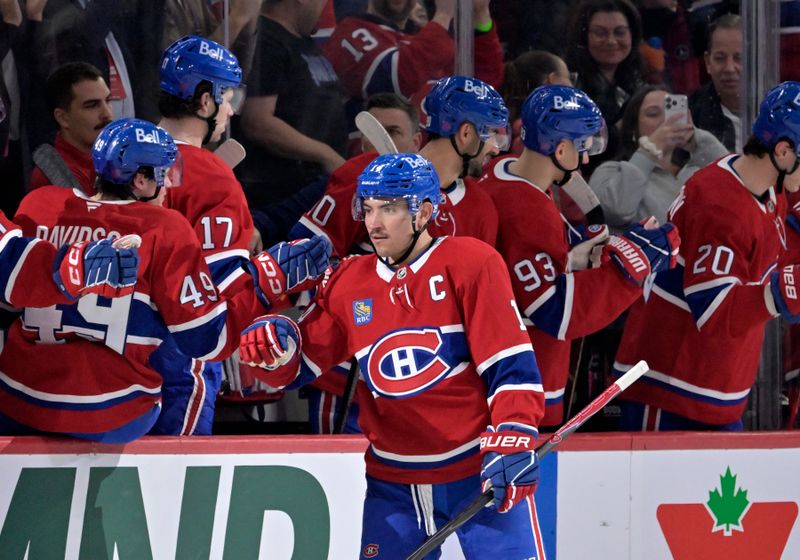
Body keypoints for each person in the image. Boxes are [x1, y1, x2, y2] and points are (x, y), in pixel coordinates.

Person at [241, 153, 547, 559]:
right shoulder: (348, 280)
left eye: (389, 208)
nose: (374, 223)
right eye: (367, 209)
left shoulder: (471, 263)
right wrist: (273, 347)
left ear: (423, 211)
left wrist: (515, 434)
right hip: (392, 486)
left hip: (474, 474)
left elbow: (510, 366)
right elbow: (298, 366)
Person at [1, 118, 330, 443]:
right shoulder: (164, 227)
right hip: (112, 410)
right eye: (165, 174)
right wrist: (267, 278)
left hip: (18, 399)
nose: (171, 185)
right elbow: (207, 340)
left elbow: (10, 293)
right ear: (141, 179)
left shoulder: (39, 204)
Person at [290, 77, 507, 433]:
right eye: (491, 135)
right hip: (350, 375)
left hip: (427, 386)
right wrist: (363, 291)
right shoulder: (370, 175)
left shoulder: (481, 208)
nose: (496, 148)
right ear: (466, 134)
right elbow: (303, 256)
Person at [478, 85, 680, 427]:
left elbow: (519, 275)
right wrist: (629, 271)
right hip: (522, 395)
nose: (586, 158)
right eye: (583, 146)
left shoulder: (502, 172)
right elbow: (553, 309)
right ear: (560, 148)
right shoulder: (525, 208)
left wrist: (572, 256)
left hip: (500, 383)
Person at [612, 81, 800, 431]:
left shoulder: (763, 186)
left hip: (716, 393)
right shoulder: (720, 206)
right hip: (671, 392)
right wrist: (783, 291)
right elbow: (713, 311)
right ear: (784, 152)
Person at [155, 35, 255, 434]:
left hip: (111, 358)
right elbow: (217, 290)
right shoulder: (212, 177)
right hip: (178, 359)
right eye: (226, 95)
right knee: (173, 491)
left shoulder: (117, 153)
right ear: (204, 100)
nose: (230, 109)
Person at [235, 0, 348, 246]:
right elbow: (257, 120)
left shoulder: (302, 41)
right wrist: (326, 155)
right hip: (280, 198)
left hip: (313, 193)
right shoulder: (268, 41)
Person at [591, 85, 728, 230]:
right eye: (653, 114)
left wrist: (696, 139)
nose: (665, 121)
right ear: (633, 128)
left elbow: (735, 183)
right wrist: (650, 149)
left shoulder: (695, 171)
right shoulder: (611, 171)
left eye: (671, 112)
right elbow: (616, 212)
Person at [323, 0, 504, 106]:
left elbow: (483, 87)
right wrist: (444, 13)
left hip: (439, 160)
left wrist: (481, 15)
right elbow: (396, 79)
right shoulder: (350, 33)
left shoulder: (424, 37)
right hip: (383, 164)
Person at [29, 62, 113, 194]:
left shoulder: (116, 158)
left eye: (108, 101)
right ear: (62, 118)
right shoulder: (52, 176)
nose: (107, 113)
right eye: (92, 105)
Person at [688, 13, 741, 152]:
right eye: (720, 58)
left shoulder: (783, 109)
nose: (729, 68)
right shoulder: (691, 113)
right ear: (707, 62)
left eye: (739, 58)